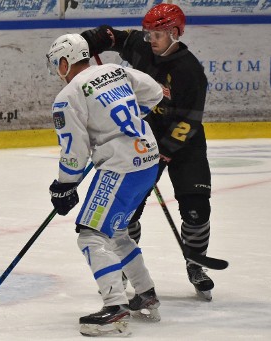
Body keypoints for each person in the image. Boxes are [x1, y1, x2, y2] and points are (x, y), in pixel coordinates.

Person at [80, 3, 215, 300]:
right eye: (148, 33)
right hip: (145, 141)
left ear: (175, 33)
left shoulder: (190, 71)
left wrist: (165, 151)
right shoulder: (141, 47)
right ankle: (128, 266)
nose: (151, 39)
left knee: (196, 209)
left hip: (185, 145)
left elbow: (189, 120)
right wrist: (89, 40)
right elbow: (110, 36)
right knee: (128, 211)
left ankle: (195, 264)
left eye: (158, 34)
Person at [46, 33, 163, 336]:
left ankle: (115, 306)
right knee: (117, 231)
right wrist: (129, 123)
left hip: (121, 167)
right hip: (149, 160)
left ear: (63, 62)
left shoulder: (68, 96)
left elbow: (75, 150)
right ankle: (145, 293)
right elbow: (154, 92)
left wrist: (64, 185)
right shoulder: (115, 69)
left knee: (91, 235)